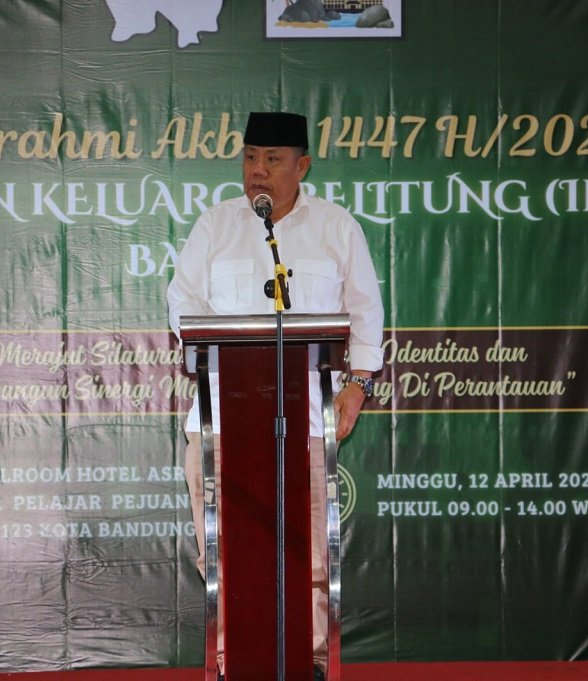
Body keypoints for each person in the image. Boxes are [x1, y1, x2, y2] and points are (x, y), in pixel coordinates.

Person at [166, 111, 384, 680]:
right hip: (222, 421)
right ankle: (229, 660)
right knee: (223, 553)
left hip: (307, 422)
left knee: (309, 554)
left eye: (272, 159)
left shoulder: (335, 227)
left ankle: (309, 661)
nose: (257, 170)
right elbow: (182, 306)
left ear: (302, 166)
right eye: (250, 157)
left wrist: (358, 385)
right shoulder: (216, 225)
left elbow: (365, 309)